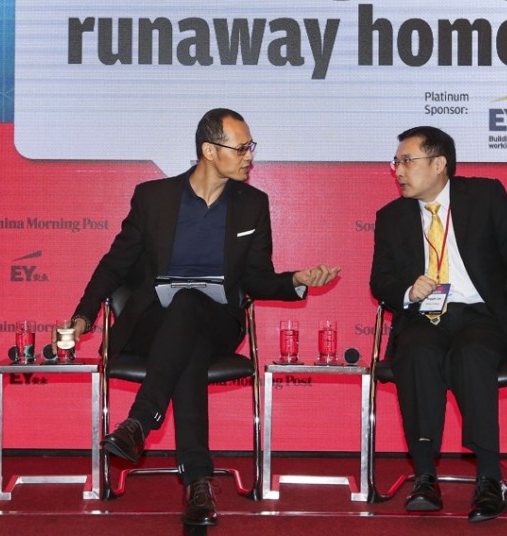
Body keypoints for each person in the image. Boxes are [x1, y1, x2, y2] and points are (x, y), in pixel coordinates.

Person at [70, 108, 339, 528]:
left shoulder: (253, 204)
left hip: (217, 322)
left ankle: (141, 420)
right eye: (242, 147)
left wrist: (297, 280)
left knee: (192, 306)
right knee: (185, 332)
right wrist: (84, 315)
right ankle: (198, 479)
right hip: (152, 323)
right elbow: (115, 265)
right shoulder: (153, 197)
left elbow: (256, 279)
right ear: (209, 151)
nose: (250, 155)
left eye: (251, 147)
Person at [369, 126, 507, 523]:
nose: (399, 170)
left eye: (407, 161)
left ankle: (490, 477)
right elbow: (381, 282)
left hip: (480, 313)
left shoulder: (484, 196)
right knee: (417, 354)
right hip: (424, 315)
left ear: (440, 164)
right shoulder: (391, 217)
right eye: (397, 162)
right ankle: (425, 474)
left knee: (471, 355)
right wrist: (410, 289)